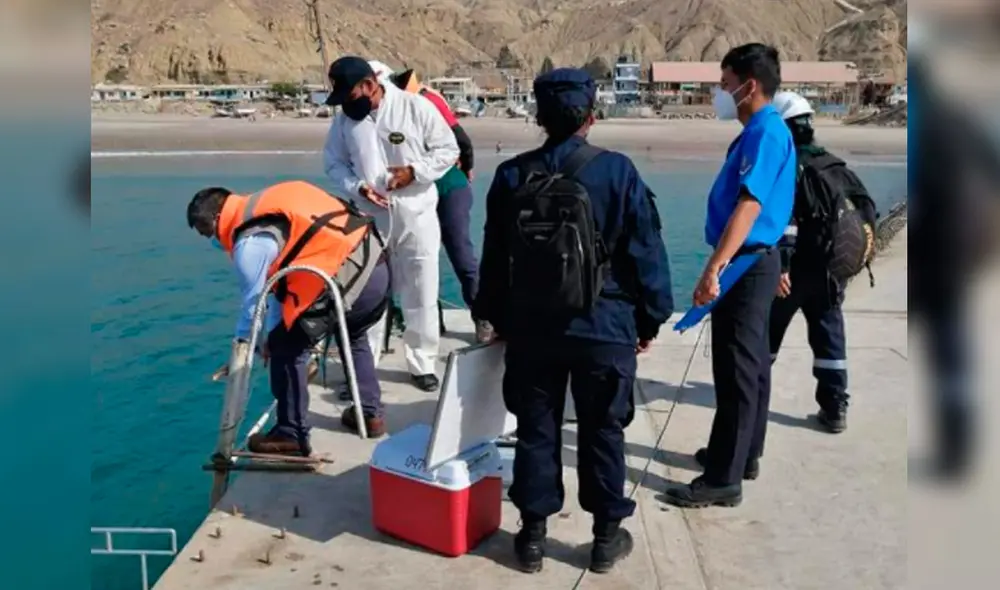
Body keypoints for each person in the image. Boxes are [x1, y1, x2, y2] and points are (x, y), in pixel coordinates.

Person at [474, 68, 674, 574]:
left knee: (535, 429)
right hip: (603, 324)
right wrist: (649, 320)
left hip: (532, 327)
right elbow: (646, 252)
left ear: (539, 117)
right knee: (603, 429)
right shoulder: (618, 171)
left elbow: (494, 259)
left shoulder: (512, 175)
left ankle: (532, 537)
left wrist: (493, 316)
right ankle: (605, 538)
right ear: (591, 115)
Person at [664, 44, 795, 509]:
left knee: (736, 369)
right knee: (751, 365)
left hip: (746, 261)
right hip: (755, 260)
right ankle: (741, 455)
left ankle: (724, 478)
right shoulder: (759, 132)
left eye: (724, 85)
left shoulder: (766, 133)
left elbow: (750, 204)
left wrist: (714, 267)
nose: (719, 94)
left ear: (749, 85)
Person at [186, 181, 392, 452]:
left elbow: (253, 308)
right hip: (376, 265)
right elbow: (277, 290)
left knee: (286, 349)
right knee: (352, 333)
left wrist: (248, 348)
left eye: (204, 231)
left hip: (346, 276)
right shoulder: (264, 205)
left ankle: (290, 434)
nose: (209, 239)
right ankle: (369, 413)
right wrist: (272, 332)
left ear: (216, 219)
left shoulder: (249, 244)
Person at [323, 56, 460, 392]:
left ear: (370, 85)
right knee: (367, 292)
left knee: (421, 287)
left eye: (351, 96)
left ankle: (422, 362)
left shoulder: (415, 108)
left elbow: (447, 150)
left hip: (416, 212)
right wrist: (358, 187)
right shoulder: (344, 122)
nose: (347, 106)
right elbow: (334, 164)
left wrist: (415, 172)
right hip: (370, 216)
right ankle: (365, 367)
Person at [767, 90, 878, 434]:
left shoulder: (790, 166)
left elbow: (786, 222)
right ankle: (834, 407)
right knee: (829, 337)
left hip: (795, 272)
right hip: (831, 272)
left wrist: (782, 267)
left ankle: (751, 394)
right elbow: (866, 212)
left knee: (764, 334)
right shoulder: (835, 165)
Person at [381, 63, 493, 341]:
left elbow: (461, 140)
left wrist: (467, 168)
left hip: (447, 187)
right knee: (417, 258)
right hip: (414, 192)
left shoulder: (426, 101)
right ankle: (428, 321)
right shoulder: (384, 114)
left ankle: (483, 316)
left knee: (459, 251)